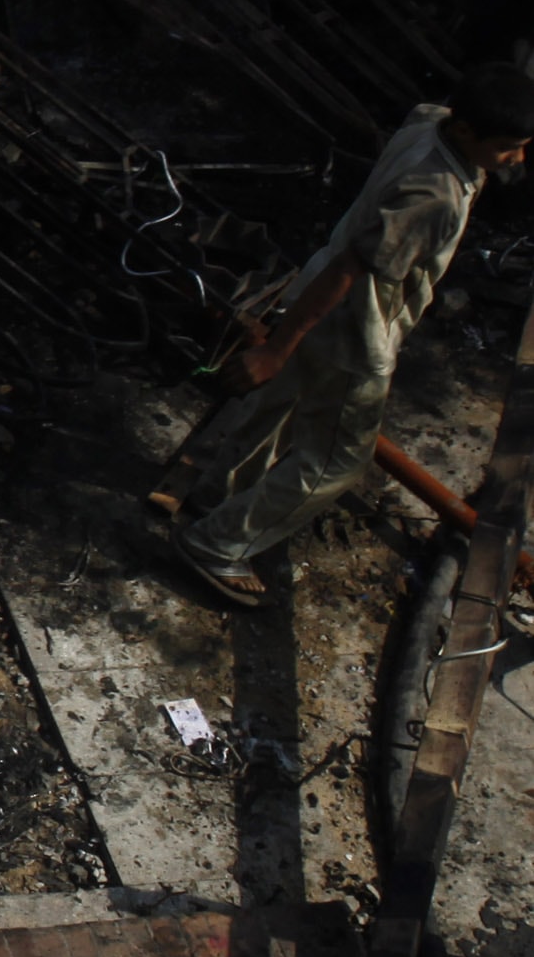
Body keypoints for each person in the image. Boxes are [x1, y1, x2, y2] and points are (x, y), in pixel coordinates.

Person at [170, 64, 534, 609]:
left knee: (275, 411)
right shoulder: (431, 196)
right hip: (352, 329)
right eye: (508, 147)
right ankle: (218, 543)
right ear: (467, 133)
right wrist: (275, 347)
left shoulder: (429, 122)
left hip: (316, 288)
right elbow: (351, 270)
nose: (517, 159)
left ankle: (213, 497)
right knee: (334, 463)